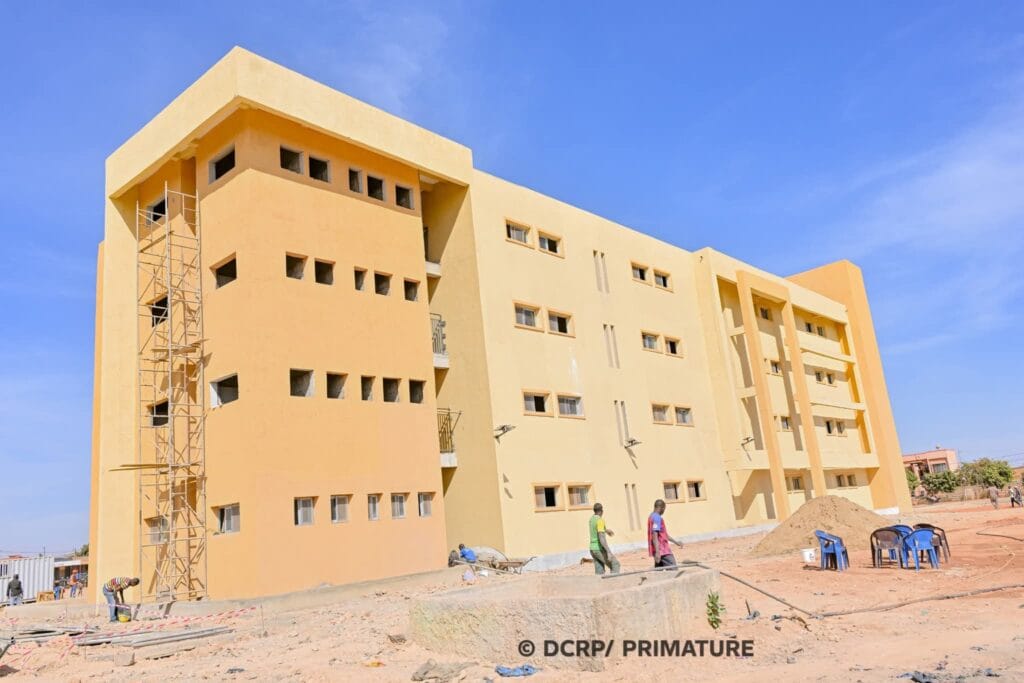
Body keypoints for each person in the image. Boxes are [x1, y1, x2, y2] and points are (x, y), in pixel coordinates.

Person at [647, 499, 684, 568]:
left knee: (659, 572)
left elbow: (663, 534)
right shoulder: (657, 518)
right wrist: (658, 552)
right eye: (664, 509)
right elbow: (654, 535)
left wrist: (676, 542)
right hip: (663, 550)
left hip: (657, 550)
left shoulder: (651, 516)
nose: (664, 511)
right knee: (673, 569)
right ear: (662, 508)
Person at [588, 503, 620, 575]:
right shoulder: (600, 520)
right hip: (599, 549)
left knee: (600, 572)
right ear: (601, 511)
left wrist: (606, 530)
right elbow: (601, 538)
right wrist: (608, 552)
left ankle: (600, 585)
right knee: (615, 565)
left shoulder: (591, 519)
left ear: (594, 511)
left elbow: (595, 529)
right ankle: (614, 584)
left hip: (592, 549)